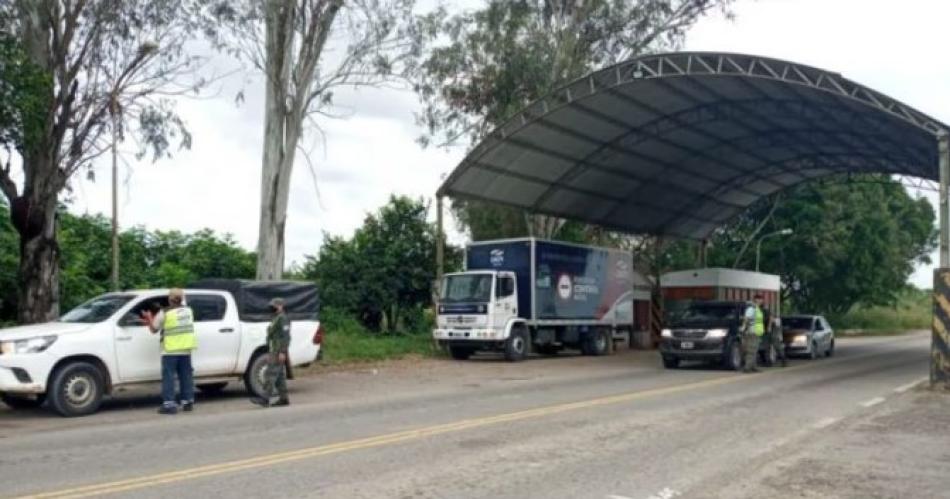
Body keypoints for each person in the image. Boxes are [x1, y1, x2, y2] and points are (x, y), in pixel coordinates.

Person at [142, 288, 197, 415]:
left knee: (169, 377)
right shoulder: (189, 311)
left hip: (170, 350)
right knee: (186, 375)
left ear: (169, 299)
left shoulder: (164, 313)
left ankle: (169, 405)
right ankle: (187, 402)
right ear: (182, 298)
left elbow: (154, 329)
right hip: (185, 348)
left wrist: (149, 317)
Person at [251, 297, 291, 408]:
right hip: (274, 349)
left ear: (281, 306)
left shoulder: (283, 318)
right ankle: (284, 399)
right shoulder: (276, 318)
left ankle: (264, 398)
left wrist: (282, 352)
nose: (272, 307)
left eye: (275, 305)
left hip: (278, 350)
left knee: (270, 373)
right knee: (279, 376)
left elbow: (286, 336)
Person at [741, 294, 766, 373]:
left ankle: (753, 366)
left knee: (755, 350)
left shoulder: (757, 309)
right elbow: (746, 318)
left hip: (757, 332)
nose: (762, 301)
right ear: (756, 300)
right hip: (752, 331)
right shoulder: (751, 309)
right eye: (760, 299)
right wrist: (743, 327)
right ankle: (747, 367)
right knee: (751, 350)